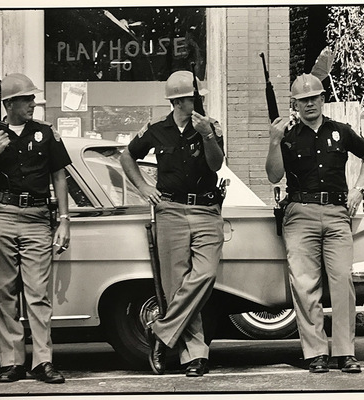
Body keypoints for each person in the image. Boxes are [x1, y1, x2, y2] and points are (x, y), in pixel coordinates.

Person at [265, 73, 364, 374]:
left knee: (343, 282)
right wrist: (274, 141)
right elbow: (274, 175)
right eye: (303, 100)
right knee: (305, 285)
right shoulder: (287, 136)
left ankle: (345, 352)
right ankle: (315, 352)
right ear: (295, 104)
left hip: (337, 211)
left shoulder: (340, 131)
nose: (309, 104)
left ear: (322, 99)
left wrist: (359, 189)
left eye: (314, 98)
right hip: (300, 212)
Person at [120, 70, 225, 377]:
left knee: (204, 275)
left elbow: (217, 164)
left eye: (193, 98)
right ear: (176, 102)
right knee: (176, 286)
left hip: (205, 208)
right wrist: (144, 188)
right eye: (186, 99)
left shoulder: (209, 127)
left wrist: (207, 134)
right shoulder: (157, 130)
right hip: (170, 210)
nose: (191, 104)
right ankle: (194, 356)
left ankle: (160, 331)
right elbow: (127, 157)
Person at [0, 73, 71, 384]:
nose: (33, 103)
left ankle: (42, 361)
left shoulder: (45, 133)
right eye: (27, 99)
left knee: (38, 293)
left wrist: (65, 220)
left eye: (32, 98)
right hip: (0, 212)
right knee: (4, 293)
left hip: (37, 215)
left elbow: (59, 177)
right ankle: (12, 362)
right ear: (9, 103)